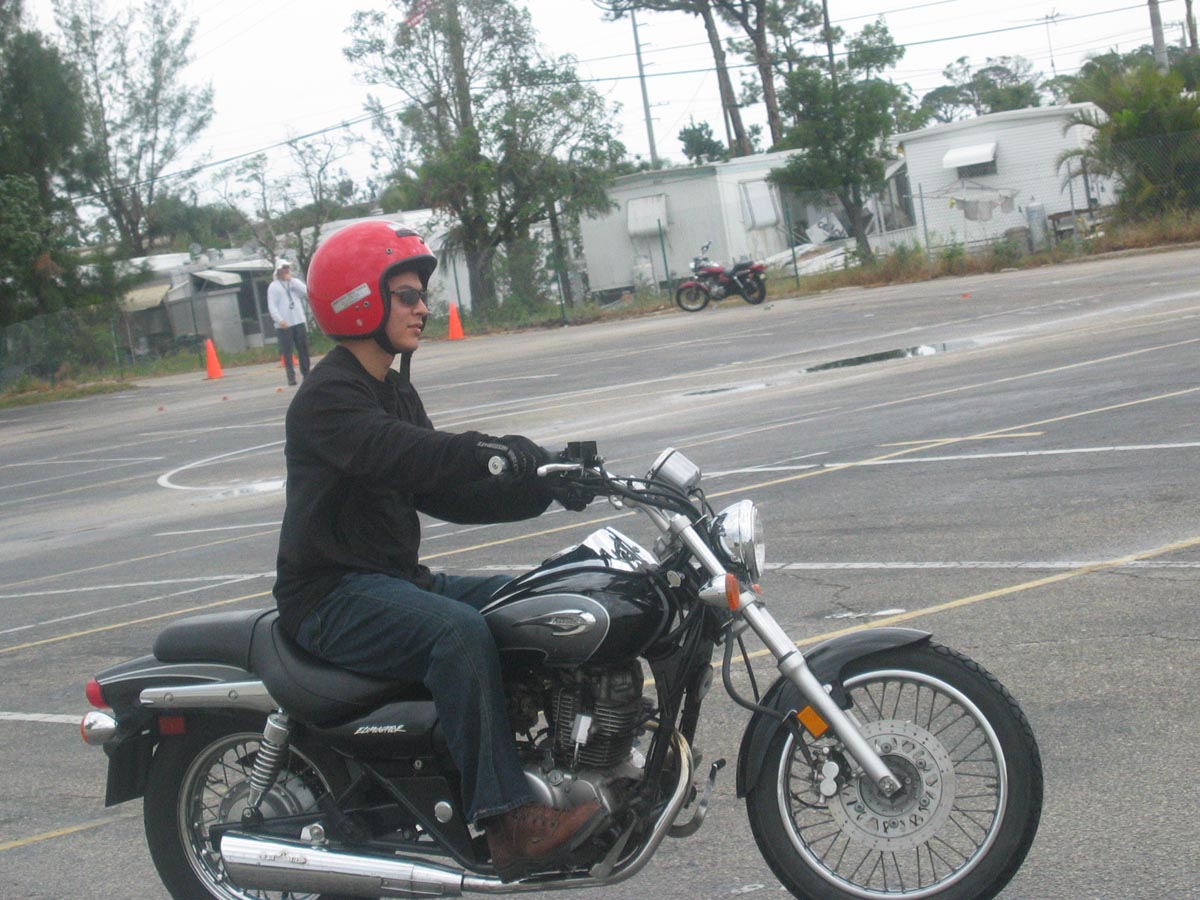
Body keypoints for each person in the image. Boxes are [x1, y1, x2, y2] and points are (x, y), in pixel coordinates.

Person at [272, 221, 600, 880]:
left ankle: (570, 762)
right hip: (330, 595)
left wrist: (547, 484)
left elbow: (446, 492)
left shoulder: (392, 389)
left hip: (394, 582)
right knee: (457, 633)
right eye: (406, 295)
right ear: (358, 301)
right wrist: (491, 451)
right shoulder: (328, 398)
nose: (423, 307)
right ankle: (506, 821)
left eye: (422, 295)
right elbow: (409, 454)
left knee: (548, 595)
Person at [266, 259, 311, 386]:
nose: (286, 270)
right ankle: (291, 377)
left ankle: (306, 374)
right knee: (287, 352)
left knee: (303, 349)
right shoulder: (274, 287)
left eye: (287, 268)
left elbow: (306, 291)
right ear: (278, 270)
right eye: (284, 268)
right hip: (284, 324)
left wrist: (292, 281)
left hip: (298, 320)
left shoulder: (294, 283)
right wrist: (279, 320)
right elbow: (272, 306)